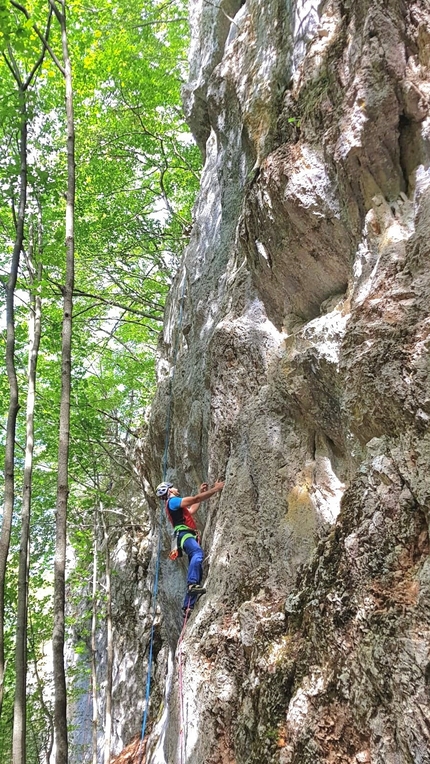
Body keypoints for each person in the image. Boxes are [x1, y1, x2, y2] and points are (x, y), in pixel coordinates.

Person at [155, 479, 224, 617]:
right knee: (197, 553)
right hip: (185, 534)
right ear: (169, 491)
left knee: (196, 565)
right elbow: (195, 499)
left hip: (183, 535)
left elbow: (191, 510)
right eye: (173, 488)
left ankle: (188, 606)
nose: (176, 489)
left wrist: (201, 493)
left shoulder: (172, 505)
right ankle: (192, 585)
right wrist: (216, 489)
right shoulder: (173, 501)